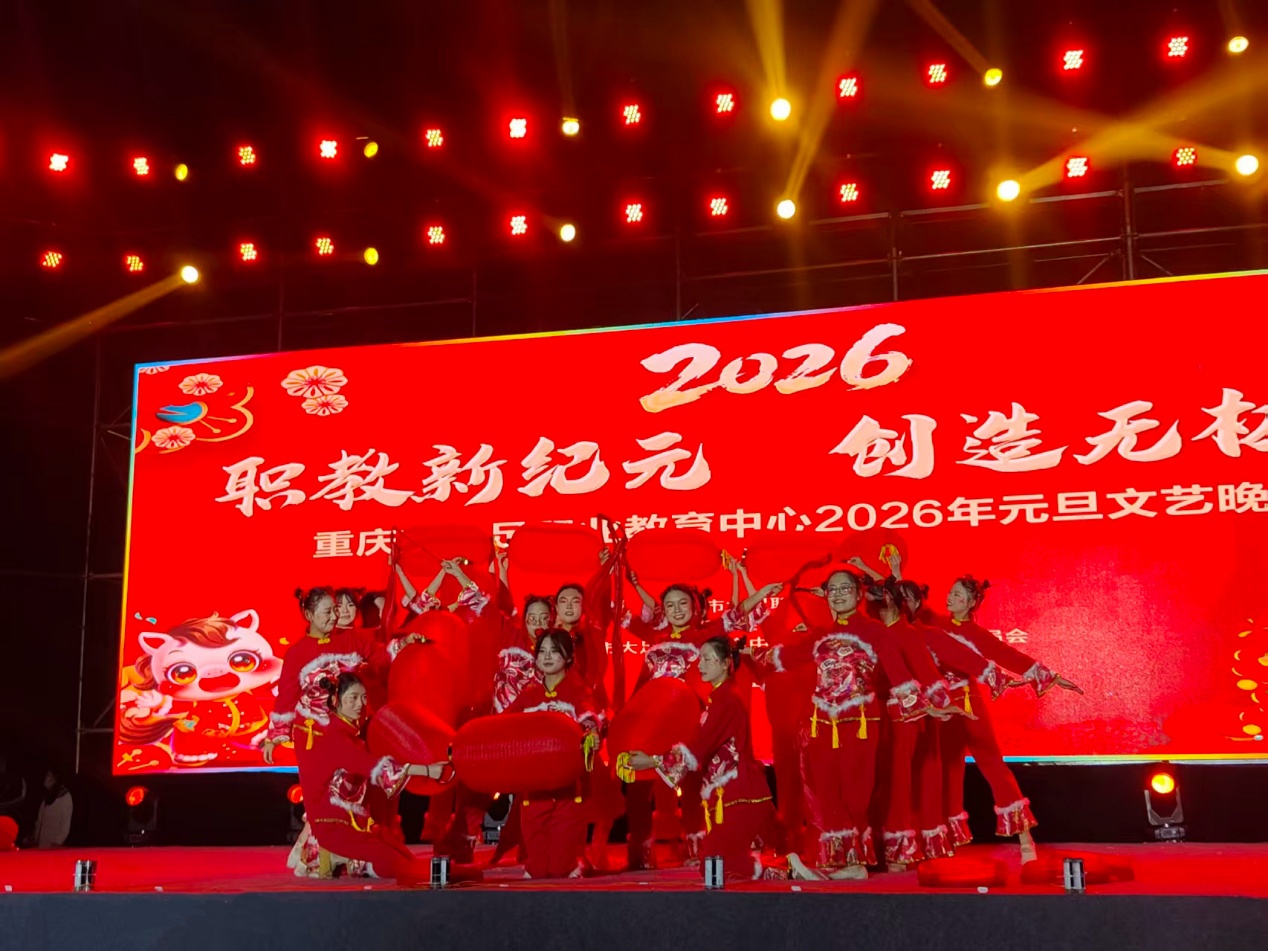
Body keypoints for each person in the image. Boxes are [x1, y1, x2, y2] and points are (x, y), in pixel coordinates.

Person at [750, 568, 942, 881]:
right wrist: (745, 655)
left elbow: (898, 672)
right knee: (826, 791)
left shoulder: (875, 631)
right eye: (832, 590)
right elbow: (788, 656)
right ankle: (838, 861)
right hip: (822, 723)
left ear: (859, 594)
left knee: (856, 791)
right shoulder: (821, 634)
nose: (837, 595)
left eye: (844, 589)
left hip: (859, 722)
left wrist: (925, 705)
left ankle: (856, 861)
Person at [621, 568, 777, 869]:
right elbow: (642, 681)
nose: (677, 610)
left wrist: (759, 593)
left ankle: (696, 849)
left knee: (692, 785)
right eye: (670, 605)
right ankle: (641, 853)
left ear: (695, 608)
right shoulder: (655, 639)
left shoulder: (704, 636)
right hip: (654, 720)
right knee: (641, 786)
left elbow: (736, 615)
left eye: (683, 604)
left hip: (689, 716)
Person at [933, 575, 1081, 861]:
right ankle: (949, 842)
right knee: (948, 770)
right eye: (950, 592)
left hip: (968, 703)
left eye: (958, 595)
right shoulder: (934, 624)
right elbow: (905, 604)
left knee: (993, 767)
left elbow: (1009, 656)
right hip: (940, 705)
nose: (950, 598)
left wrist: (1052, 676)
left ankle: (1025, 839)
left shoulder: (979, 636)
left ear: (971, 603)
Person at [294, 672, 450, 881]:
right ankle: (336, 856)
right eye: (353, 698)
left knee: (403, 855)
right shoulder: (336, 739)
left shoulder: (352, 737)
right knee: (394, 864)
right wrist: (427, 770)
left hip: (353, 826)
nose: (360, 704)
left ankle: (346, 858)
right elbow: (374, 767)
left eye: (364, 697)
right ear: (335, 700)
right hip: (333, 828)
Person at [263, 587, 420, 766]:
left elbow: (381, 657)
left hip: (351, 733)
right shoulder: (297, 653)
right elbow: (286, 697)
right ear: (309, 615)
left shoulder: (352, 638)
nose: (334, 616)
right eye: (327, 612)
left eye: (335, 610)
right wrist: (273, 738)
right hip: (315, 738)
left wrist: (405, 643)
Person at [504, 630, 604, 878]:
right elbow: (503, 725)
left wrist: (592, 732)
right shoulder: (529, 695)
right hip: (534, 788)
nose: (547, 657)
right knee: (537, 870)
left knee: (561, 867)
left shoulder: (578, 691)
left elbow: (588, 716)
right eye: (542, 651)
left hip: (568, 788)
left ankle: (578, 863)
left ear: (568, 657)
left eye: (555, 651)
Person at [29, 769, 72, 848]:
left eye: (49, 776)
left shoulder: (65, 798)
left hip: (53, 847)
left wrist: (57, 843)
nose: (46, 779)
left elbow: (65, 826)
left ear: (55, 779)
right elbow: (39, 821)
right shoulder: (46, 797)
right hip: (40, 845)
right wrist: (35, 837)